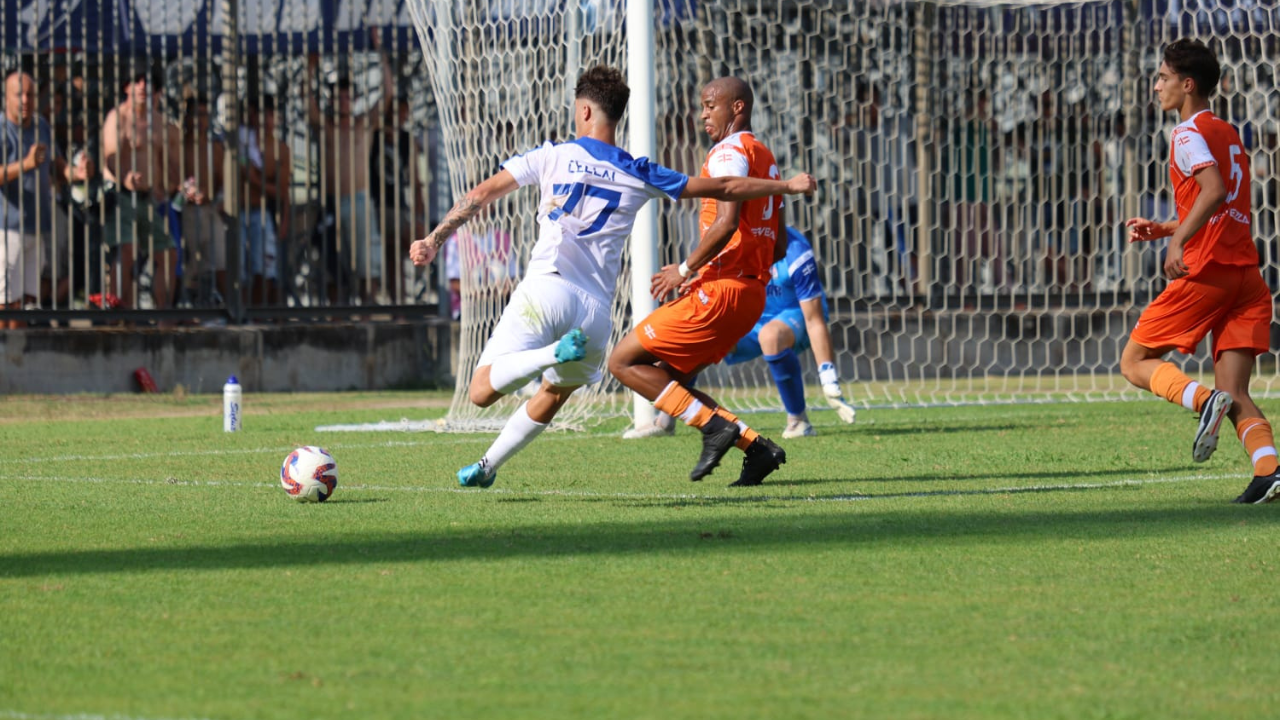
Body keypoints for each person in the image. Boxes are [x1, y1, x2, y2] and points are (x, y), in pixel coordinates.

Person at [408, 66, 814, 488]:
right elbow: (726, 189)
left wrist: (435, 239)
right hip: (595, 315)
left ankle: (552, 355)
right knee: (556, 393)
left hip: (547, 286)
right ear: (618, 115)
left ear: (584, 110)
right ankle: (488, 465)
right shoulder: (640, 171)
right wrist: (784, 185)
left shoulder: (552, 154)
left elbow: (480, 195)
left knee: (480, 391)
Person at [606, 76, 790, 488]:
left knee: (622, 361)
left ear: (737, 108)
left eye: (710, 105)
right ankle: (757, 449)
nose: (703, 114)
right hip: (751, 294)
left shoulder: (728, 152)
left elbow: (725, 224)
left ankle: (713, 427)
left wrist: (685, 270)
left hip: (720, 290)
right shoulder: (766, 157)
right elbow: (777, 245)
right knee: (668, 381)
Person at [1122, 39, 1279, 505]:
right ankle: (1269, 471)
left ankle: (1199, 400)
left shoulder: (1186, 133)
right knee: (1236, 391)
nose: (1156, 87)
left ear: (1187, 84)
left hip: (1208, 272)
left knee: (1133, 362)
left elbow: (1211, 190)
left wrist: (1176, 240)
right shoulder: (1227, 133)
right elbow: (1222, 202)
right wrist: (1168, 226)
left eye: (1163, 78)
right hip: (1247, 278)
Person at [623, 225, 858, 440]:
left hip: (793, 319)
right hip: (748, 319)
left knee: (770, 335)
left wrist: (828, 377)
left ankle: (798, 421)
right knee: (700, 334)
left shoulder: (796, 251)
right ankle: (665, 421)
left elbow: (814, 319)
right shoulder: (734, 242)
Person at [1, 71, 80, 328]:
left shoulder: (41, 126)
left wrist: (76, 173)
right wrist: (25, 164)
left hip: (37, 228)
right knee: (4, 303)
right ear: (6, 98)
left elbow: (58, 166)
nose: (25, 100)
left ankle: (16, 359)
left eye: (30, 94)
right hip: (7, 229)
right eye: (18, 94)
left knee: (27, 302)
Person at [100, 67, 178, 312]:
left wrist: (167, 186)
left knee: (167, 253)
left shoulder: (157, 121)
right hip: (121, 195)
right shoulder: (118, 116)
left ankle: (164, 315)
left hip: (147, 198)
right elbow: (110, 155)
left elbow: (163, 160)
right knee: (127, 251)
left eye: (148, 81)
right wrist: (125, 177)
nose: (143, 86)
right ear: (126, 86)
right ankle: (121, 315)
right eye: (137, 81)